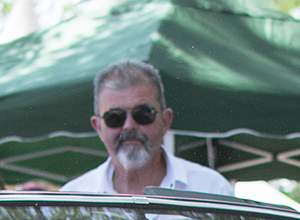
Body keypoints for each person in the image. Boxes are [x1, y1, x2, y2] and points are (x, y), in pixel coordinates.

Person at [61, 60, 233, 196]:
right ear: (98, 127)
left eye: (142, 114)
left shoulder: (212, 189)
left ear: (165, 120)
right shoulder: (71, 199)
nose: (129, 125)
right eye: (115, 117)